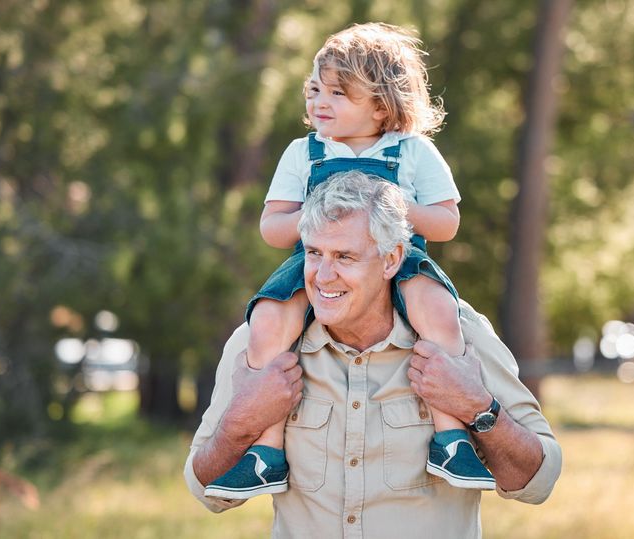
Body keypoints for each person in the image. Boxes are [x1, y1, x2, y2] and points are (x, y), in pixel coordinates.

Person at [204, 21, 493, 501]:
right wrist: (327, 219)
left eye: (338, 93)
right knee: (269, 319)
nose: (319, 102)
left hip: (398, 259)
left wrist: (398, 206)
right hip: (313, 262)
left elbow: (446, 223)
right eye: (314, 89)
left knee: (439, 310)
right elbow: (272, 228)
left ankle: (451, 439)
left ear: (381, 104)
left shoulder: (413, 152)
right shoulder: (304, 154)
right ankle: (265, 452)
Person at [184, 171, 562, 538]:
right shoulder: (263, 342)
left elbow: (537, 481)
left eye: (345, 257)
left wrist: (476, 406)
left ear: (391, 259)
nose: (322, 275)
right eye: (314, 253)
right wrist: (240, 422)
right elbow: (205, 490)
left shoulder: (460, 335)